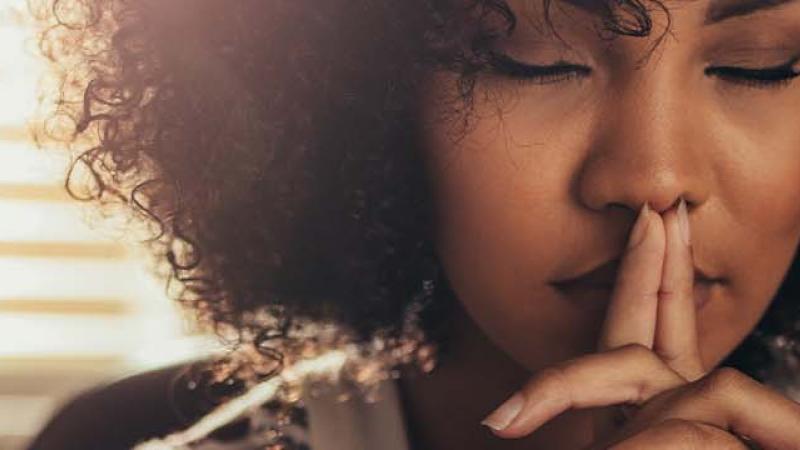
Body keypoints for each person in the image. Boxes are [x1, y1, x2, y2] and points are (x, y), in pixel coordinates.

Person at [27, 0, 800, 448]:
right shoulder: (115, 438)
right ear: (370, 98)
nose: (657, 178)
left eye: (762, 65)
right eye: (531, 59)